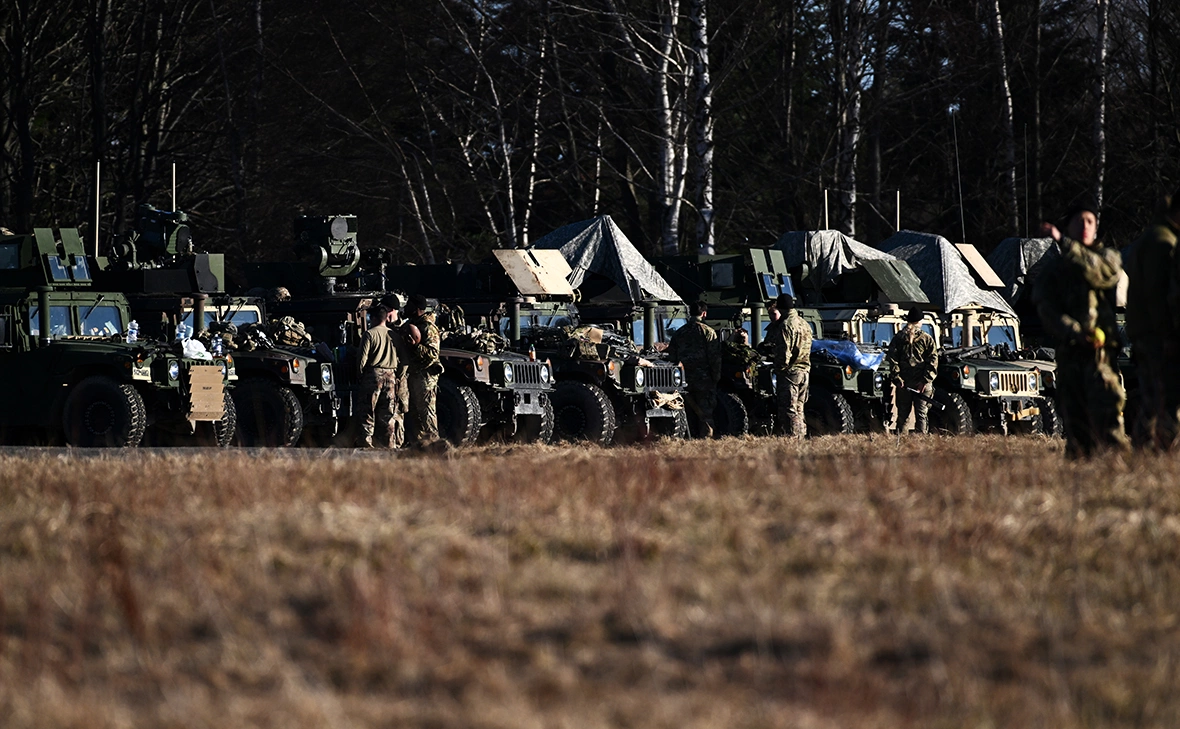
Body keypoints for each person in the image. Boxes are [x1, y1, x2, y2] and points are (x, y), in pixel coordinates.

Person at [1034, 196, 1130, 458]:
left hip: (1102, 357)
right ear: (1069, 227)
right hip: (1071, 354)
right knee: (1075, 423)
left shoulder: (1108, 257)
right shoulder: (1054, 270)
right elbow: (1046, 307)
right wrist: (1075, 331)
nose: (1085, 226)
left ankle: (1118, 474)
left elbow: (1100, 272)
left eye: (1090, 221)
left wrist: (1066, 244)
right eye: (1079, 221)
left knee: (1109, 416)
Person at [1124, 189, 1180, 449]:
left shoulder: (1149, 239)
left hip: (1146, 335)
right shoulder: (1164, 243)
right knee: (1164, 403)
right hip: (1158, 338)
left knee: (1152, 402)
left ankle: (1145, 457)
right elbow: (1160, 296)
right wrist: (1168, 335)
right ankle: (1156, 457)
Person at [665, 300, 722, 438]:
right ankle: (706, 437)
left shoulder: (679, 333)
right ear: (704, 313)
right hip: (705, 379)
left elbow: (671, 357)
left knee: (689, 411)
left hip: (685, 380)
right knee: (706, 411)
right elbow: (715, 358)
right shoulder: (708, 332)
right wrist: (716, 377)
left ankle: (690, 438)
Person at [885, 309, 939, 434]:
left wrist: (897, 378)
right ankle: (920, 446)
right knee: (921, 414)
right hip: (922, 385)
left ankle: (902, 443)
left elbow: (892, 360)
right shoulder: (927, 339)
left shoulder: (898, 338)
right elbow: (933, 361)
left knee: (903, 415)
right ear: (919, 322)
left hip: (904, 384)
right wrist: (924, 381)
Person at [766, 293, 811, 437]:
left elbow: (784, 355)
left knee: (789, 409)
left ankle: (793, 438)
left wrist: (778, 368)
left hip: (790, 373)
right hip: (805, 371)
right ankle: (801, 437)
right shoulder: (805, 324)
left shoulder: (786, 326)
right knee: (799, 408)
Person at [355, 304, 399, 448]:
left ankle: (366, 442)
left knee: (368, 409)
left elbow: (362, 358)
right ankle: (388, 443)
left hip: (373, 375)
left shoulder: (369, 334)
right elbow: (403, 359)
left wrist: (360, 374)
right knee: (388, 412)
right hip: (391, 375)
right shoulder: (394, 335)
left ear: (373, 318)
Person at [404, 293, 444, 447]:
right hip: (415, 376)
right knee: (416, 416)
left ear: (416, 308)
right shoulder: (415, 324)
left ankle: (435, 445)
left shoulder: (428, 328)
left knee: (427, 415)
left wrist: (415, 346)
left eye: (409, 305)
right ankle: (421, 448)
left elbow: (433, 355)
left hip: (425, 378)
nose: (406, 308)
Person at [381, 294, 411, 449]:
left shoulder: (403, 329)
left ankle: (397, 445)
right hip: (389, 377)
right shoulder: (387, 328)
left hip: (400, 378)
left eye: (385, 309)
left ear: (391, 310)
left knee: (398, 412)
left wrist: (399, 376)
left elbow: (405, 359)